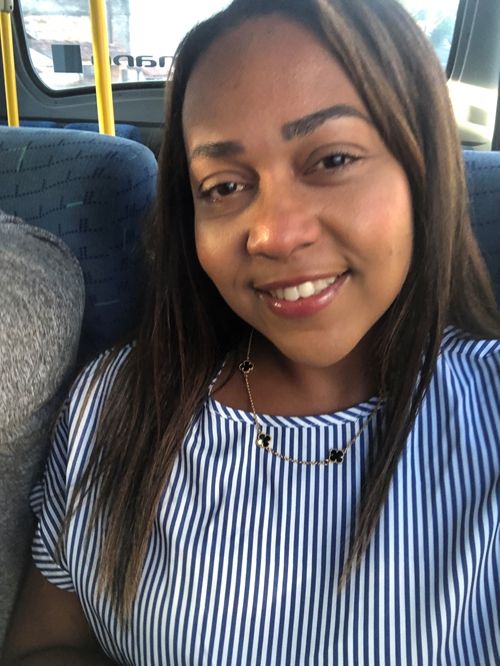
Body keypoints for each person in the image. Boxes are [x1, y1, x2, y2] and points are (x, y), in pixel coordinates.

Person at [2, 0, 499, 664]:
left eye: (332, 159)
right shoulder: (113, 403)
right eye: (225, 186)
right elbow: (47, 643)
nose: (271, 234)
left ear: (423, 167)